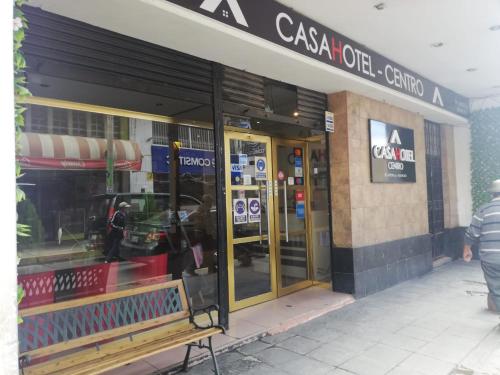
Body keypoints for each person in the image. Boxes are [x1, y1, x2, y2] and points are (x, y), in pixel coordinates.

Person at [463, 179, 500, 313]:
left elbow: (471, 233)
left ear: (491, 194)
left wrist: (467, 250)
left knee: (496, 290)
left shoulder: (483, 210)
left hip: (490, 259)